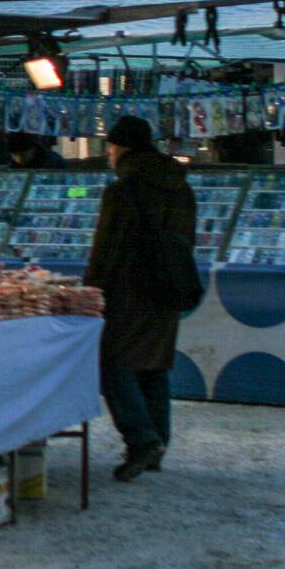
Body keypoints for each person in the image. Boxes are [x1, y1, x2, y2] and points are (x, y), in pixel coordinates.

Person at [85, 115, 196, 482]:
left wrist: (91, 291)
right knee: (153, 366)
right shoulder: (181, 187)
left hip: (128, 291)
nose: (109, 155)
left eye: (111, 148)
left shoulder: (122, 191)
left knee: (114, 365)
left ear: (122, 148)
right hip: (168, 287)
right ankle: (158, 443)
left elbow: (106, 250)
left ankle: (142, 439)